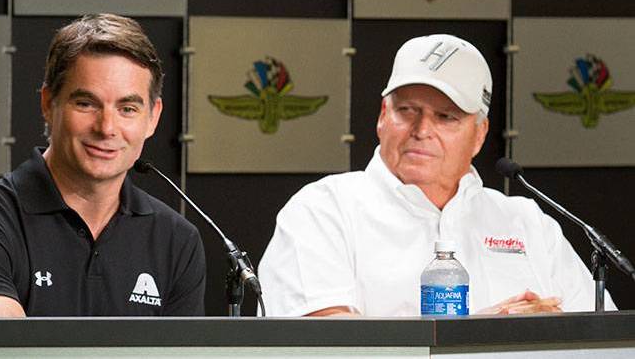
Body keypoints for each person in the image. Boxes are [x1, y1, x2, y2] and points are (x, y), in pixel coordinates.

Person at [258, 34, 616, 317]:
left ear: (479, 134)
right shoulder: (323, 210)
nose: (422, 129)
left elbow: (601, 337)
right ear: (383, 115)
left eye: (446, 117)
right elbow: (327, 344)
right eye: (407, 110)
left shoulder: (525, 222)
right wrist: (478, 337)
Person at [0, 14, 206, 317]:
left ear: (153, 118)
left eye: (127, 108)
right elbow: (9, 353)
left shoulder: (177, 240)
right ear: (48, 104)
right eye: (86, 103)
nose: (107, 127)